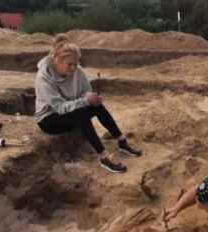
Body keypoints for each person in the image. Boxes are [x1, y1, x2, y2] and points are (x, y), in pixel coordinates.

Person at [34, 35, 142, 174]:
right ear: (57, 60)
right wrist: (85, 101)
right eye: (70, 64)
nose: (74, 68)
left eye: (76, 63)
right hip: (50, 119)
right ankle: (103, 157)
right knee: (81, 113)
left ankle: (121, 141)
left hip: (70, 110)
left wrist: (91, 98)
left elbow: (86, 91)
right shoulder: (43, 78)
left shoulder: (77, 70)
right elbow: (60, 108)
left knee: (96, 105)